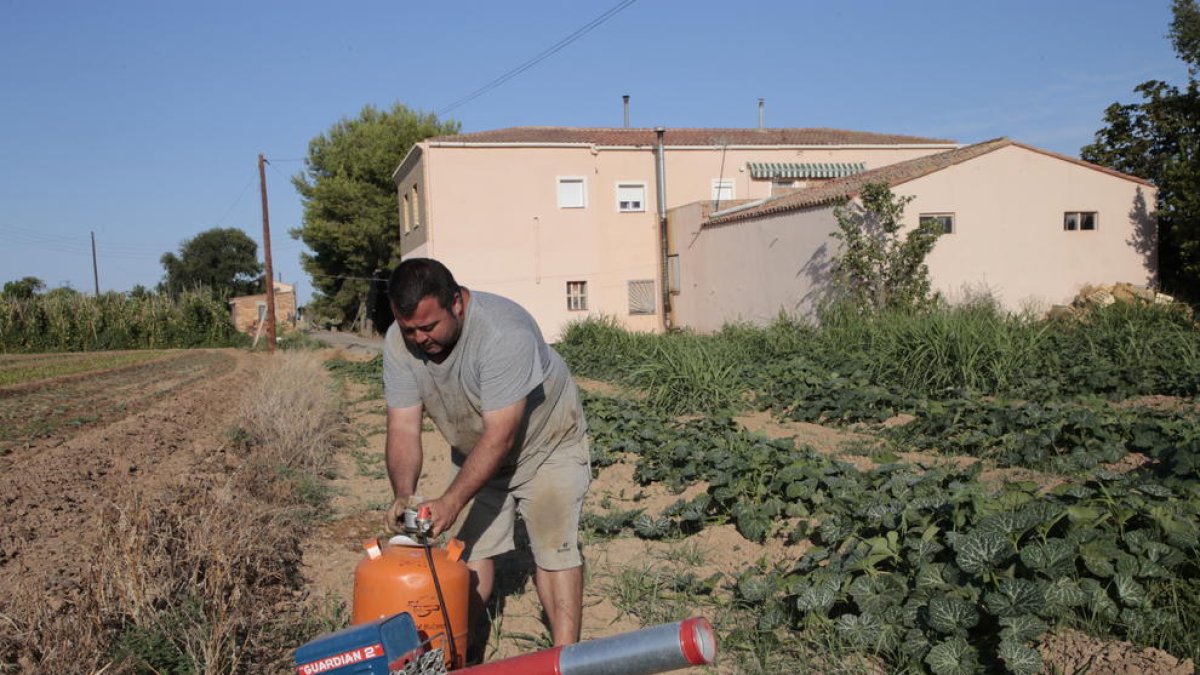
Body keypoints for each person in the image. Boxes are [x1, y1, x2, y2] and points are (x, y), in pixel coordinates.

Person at [382, 258, 591, 648]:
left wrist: (452, 501)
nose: (419, 339)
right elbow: (404, 427)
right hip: (478, 448)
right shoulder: (399, 343)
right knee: (469, 550)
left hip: (546, 444)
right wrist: (404, 493)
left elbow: (501, 435)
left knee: (553, 545)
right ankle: (457, 649)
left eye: (429, 327)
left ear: (458, 302)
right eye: (410, 329)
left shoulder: (502, 333)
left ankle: (566, 660)